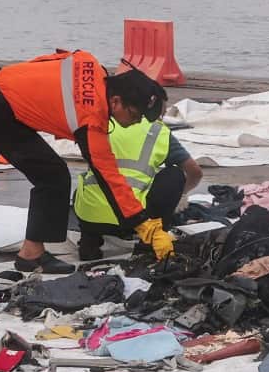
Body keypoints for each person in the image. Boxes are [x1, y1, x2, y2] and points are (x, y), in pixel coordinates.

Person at [0, 53, 166, 274]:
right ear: (116, 102)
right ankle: (31, 254)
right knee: (53, 176)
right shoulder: (91, 118)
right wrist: (143, 224)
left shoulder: (90, 64)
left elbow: (47, 63)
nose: (135, 123)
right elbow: (108, 176)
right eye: (135, 115)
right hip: (0, 111)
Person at [73, 102, 203, 262]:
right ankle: (149, 243)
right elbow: (195, 172)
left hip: (92, 216)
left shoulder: (102, 122)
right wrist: (182, 193)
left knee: (87, 181)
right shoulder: (157, 131)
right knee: (174, 175)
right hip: (136, 220)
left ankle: (89, 243)